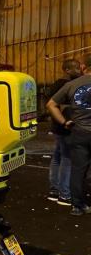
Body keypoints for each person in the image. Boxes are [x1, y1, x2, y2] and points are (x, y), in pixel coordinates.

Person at [47, 54, 91, 216]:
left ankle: (77, 205)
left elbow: (51, 105)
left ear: (84, 67)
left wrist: (64, 122)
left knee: (77, 169)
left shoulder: (71, 85)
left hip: (78, 132)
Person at [46, 59, 82, 206]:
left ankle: (54, 190)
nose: (80, 70)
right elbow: (58, 106)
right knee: (67, 159)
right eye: (77, 68)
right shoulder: (66, 85)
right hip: (66, 126)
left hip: (58, 126)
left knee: (58, 157)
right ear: (67, 70)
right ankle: (64, 194)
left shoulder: (57, 84)